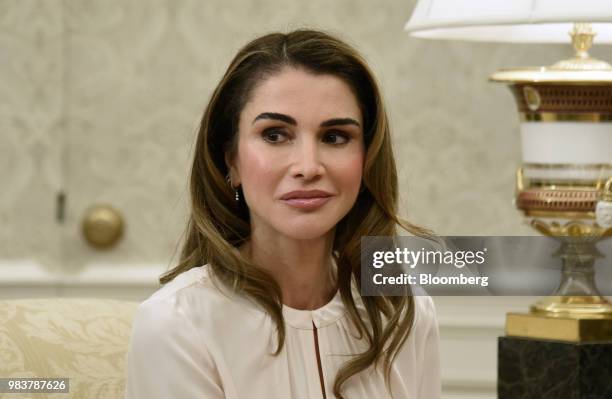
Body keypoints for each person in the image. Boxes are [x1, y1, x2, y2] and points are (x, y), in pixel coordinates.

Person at [125, 29, 441, 399]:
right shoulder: (176, 324)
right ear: (232, 161)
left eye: (335, 137)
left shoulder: (405, 311)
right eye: (275, 135)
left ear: (366, 160)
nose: (308, 167)